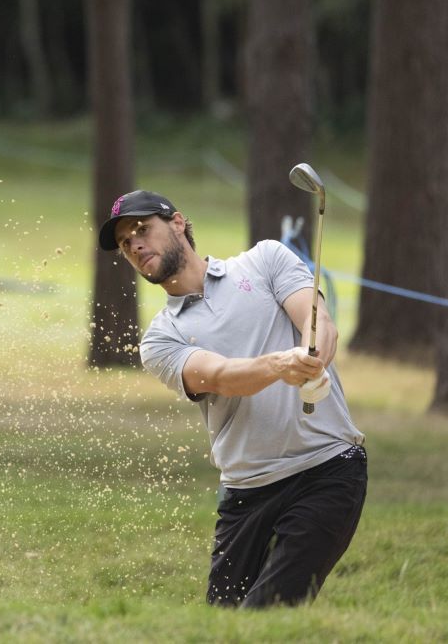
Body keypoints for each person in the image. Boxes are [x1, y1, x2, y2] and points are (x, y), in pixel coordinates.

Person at [98, 190, 367, 609]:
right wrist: (281, 364)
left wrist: (312, 355)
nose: (133, 245)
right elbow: (222, 377)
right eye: (124, 243)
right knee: (223, 623)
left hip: (326, 470)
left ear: (178, 223)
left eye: (141, 230)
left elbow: (317, 321)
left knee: (266, 612)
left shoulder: (265, 260)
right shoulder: (159, 340)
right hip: (246, 493)